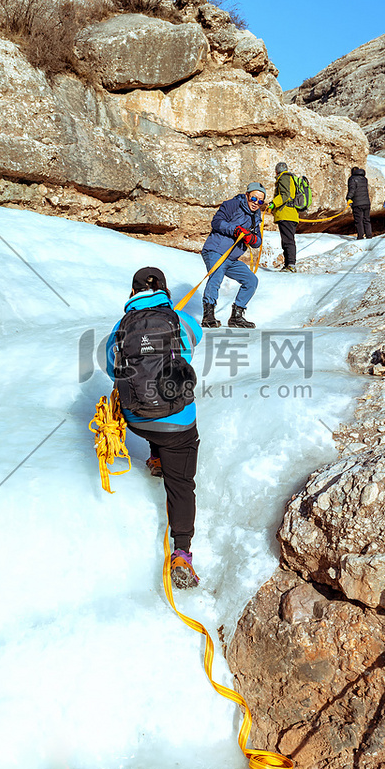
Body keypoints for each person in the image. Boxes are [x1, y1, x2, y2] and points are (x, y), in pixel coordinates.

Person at [106, 266, 202, 589]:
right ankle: (182, 552)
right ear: (164, 289)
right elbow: (196, 337)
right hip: (177, 425)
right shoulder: (177, 320)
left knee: (149, 400)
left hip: (137, 420)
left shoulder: (121, 327)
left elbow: (111, 367)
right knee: (181, 485)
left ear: (133, 292)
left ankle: (155, 458)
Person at [200, 182, 265, 329]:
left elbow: (257, 241)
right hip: (216, 250)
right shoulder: (233, 204)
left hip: (232, 258)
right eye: (254, 198)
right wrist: (235, 230)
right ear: (247, 195)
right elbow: (216, 222)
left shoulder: (256, 216)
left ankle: (237, 316)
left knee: (251, 280)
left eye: (260, 201)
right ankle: (208, 315)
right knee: (216, 277)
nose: (256, 203)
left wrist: (252, 239)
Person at [268, 161, 299, 272]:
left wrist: (273, 203)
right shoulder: (290, 178)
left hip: (286, 214)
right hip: (289, 214)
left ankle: (291, 265)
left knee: (288, 241)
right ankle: (288, 265)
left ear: (276, 171)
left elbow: (285, 195)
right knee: (286, 240)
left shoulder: (284, 178)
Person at [346, 166, 372, 239]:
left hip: (357, 203)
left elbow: (352, 189)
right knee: (366, 219)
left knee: (359, 220)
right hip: (366, 202)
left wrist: (349, 198)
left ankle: (360, 236)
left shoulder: (352, 179)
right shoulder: (364, 179)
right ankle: (369, 235)